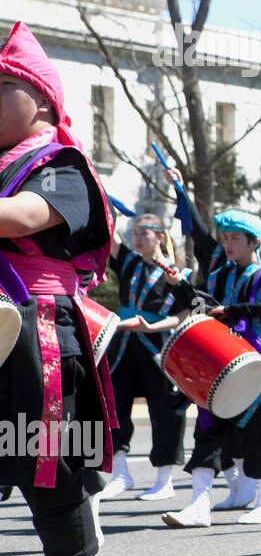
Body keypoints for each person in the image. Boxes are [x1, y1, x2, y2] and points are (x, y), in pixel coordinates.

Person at [0, 21, 116, 556]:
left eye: (0, 85)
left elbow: (22, 217)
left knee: (46, 465)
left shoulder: (60, 163)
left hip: (38, 334)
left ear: (39, 98)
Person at [160, 208, 261, 527]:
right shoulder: (221, 275)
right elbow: (204, 306)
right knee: (207, 429)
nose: (228, 244)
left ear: (255, 243)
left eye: (235, 238)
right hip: (219, 362)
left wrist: (234, 309)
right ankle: (198, 505)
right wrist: (179, 286)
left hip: (255, 361)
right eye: (225, 238)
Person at [99, 214, 192, 501]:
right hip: (124, 344)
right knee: (112, 405)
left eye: (144, 233)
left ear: (160, 237)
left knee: (164, 411)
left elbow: (187, 313)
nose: (136, 238)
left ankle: (164, 480)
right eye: (135, 232)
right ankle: (120, 473)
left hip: (159, 347)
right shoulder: (129, 261)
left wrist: (152, 326)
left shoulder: (180, 274)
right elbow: (110, 232)